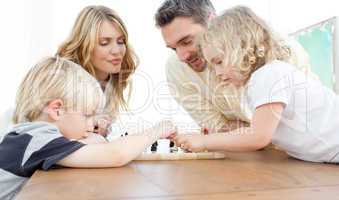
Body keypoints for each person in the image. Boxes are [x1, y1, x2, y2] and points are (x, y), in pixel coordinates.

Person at [173, 6, 339, 164]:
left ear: (243, 48)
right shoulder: (258, 82)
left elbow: (258, 136)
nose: (217, 73)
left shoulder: (268, 75)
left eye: (219, 62)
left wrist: (205, 141)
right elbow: (255, 130)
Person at [0, 57, 176, 200]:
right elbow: (115, 155)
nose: (91, 125)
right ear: (57, 110)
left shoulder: (30, 134)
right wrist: (155, 132)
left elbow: (98, 142)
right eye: (86, 115)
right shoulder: (38, 139)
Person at [154, 0, 311, 133]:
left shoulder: (277, 49)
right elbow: (218, 129)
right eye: (174, 48)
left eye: (187, 41)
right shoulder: (176, 68)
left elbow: (297, 123)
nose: (182, 56)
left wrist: (253, 131)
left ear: (212, 21)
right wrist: (255, 130)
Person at [57, 5, 138, 136]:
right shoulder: (63, 81)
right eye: (104, 43)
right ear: (84, 45)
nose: (117, 51)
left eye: (121, 41)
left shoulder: (111, 80)